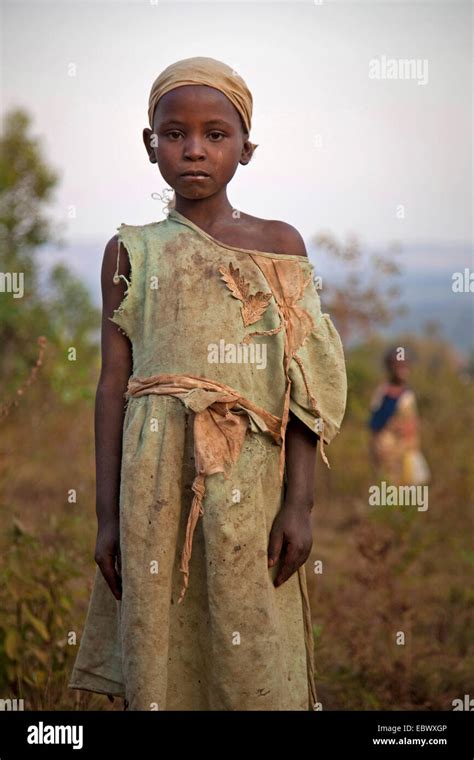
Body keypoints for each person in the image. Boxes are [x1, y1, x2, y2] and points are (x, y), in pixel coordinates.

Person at [68, 56, 347, 711]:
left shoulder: (279, 245)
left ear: (245, 149)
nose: (194, 148)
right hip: (152, 484)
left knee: (250, 642)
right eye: (174, 133)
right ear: (150, 144)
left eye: (216, 134)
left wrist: (300, 506)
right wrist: (108, 516)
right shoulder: (129, 251)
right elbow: (114, 385)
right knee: (160, 635)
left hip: (249, 483)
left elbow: (307, 382)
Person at [368, 346, 430, 486]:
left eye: (405, 365)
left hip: (408, 452)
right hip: (388, 453)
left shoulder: (408, 393)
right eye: (398, 365)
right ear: (390, 367)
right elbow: (375, 423)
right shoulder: (384, 393)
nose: (403, 369)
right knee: (390, 488)